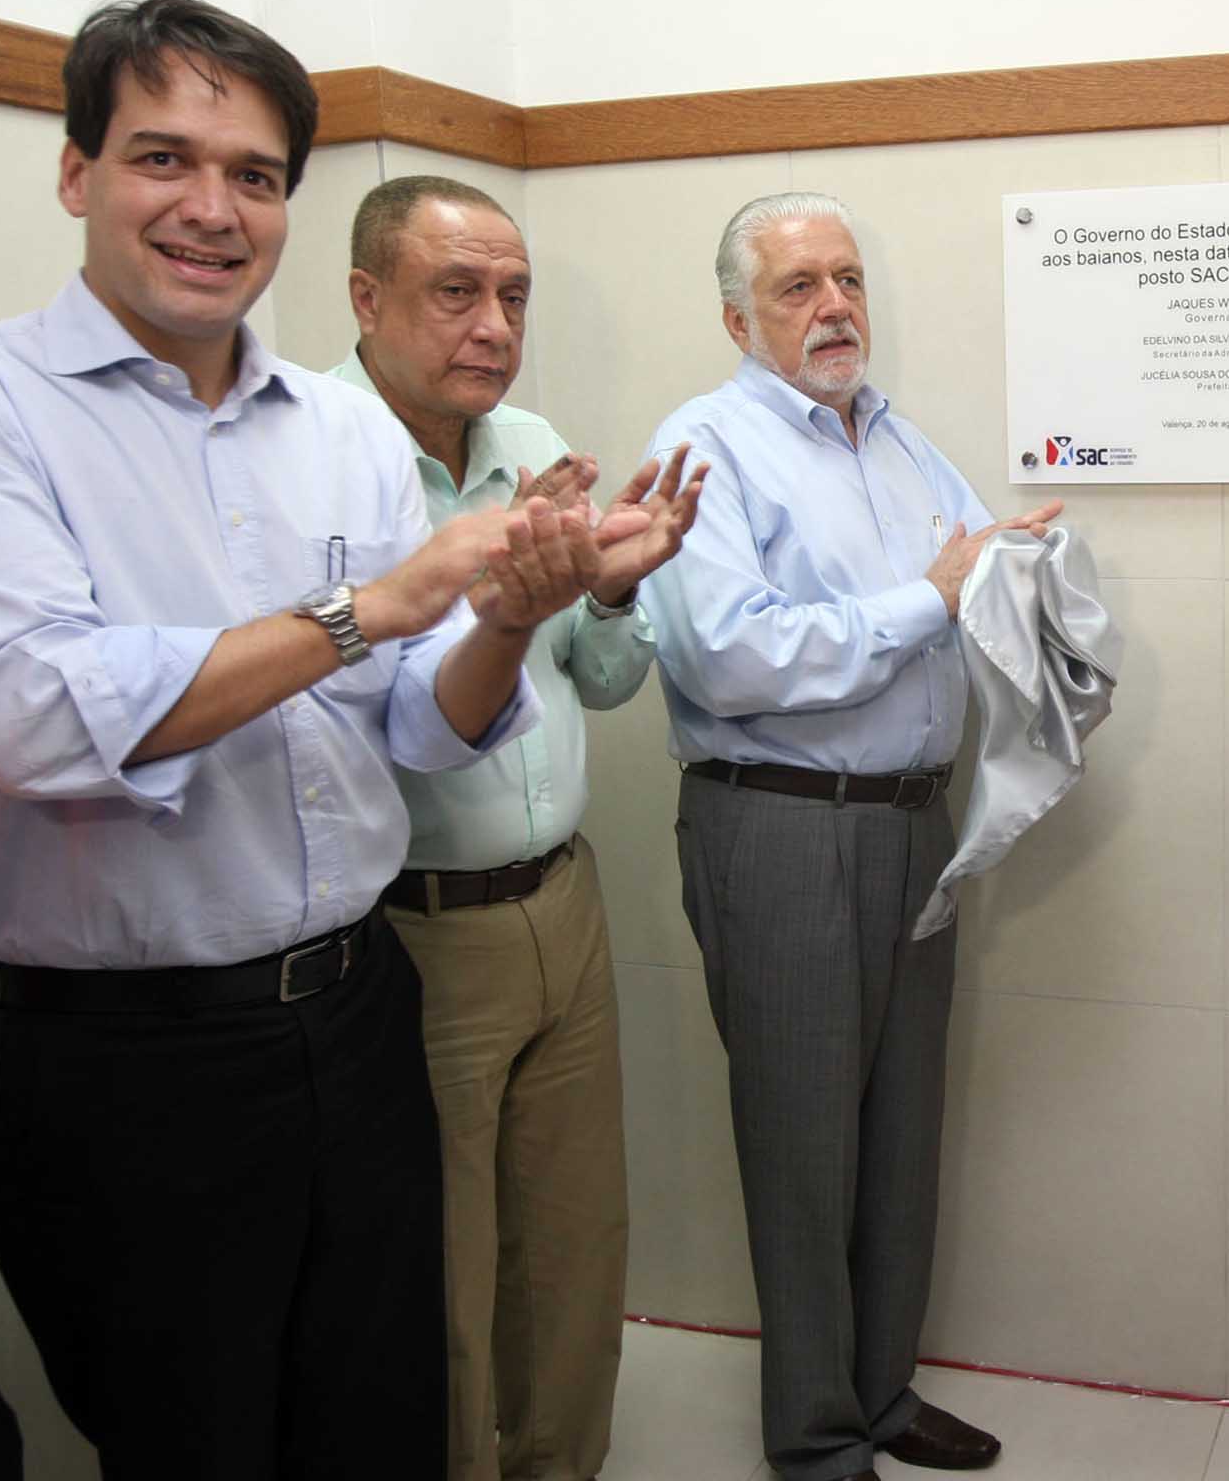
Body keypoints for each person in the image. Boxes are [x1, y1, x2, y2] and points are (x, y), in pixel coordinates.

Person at [0, 0, 612, 1479]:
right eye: (161, 160)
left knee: (376, 1424)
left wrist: (508, 612)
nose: (211, 209)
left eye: (253, 175)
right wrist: (371, 606)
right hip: (131, 1067)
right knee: (196, 1442)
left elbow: (416, 731)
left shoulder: (335, 435)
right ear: (76, 174)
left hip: (355, 1010)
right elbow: (37, 716)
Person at [643, 192, 1059, 1481]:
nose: (834, 306)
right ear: (736, 317)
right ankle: (817, 1441)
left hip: (911, 827)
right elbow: (728, 654)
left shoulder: (896, 436)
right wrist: (926, 600)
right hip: (779, 829)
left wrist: (1015, 572)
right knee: (803, 1147)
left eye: (847, 279)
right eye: (797, 286)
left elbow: (967, 573)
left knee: (897, 1134)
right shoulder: (703, 445)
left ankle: (880, 1394)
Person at [333, 173, 705, 1481]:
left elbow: (595, 687)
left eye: (514, 295)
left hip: (563, 902)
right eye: (457, 292)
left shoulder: (526, 440)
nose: (494, 324)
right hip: (420, 932)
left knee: (571, 1242)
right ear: (368, 300)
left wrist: (613, 600)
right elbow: (372, 725)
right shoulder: (323, 459)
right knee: (446, 1269)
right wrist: (490, 609)